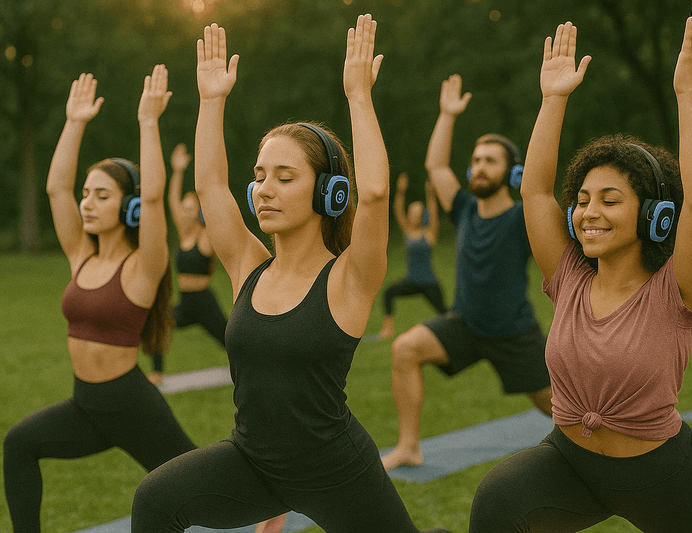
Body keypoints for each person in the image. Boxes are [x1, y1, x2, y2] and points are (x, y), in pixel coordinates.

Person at [130, 17, 450, 533]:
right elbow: (211, 187)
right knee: (156, 499)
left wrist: (358, 96)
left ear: (329, 193)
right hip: (253, 464)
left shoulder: (349, 277)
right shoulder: (248, 267)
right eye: (259, 177)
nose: (264, 190)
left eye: (284, 177)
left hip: (336, 472)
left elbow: (374, 195)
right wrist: (211, 102)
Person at [469, 6, 692, 531]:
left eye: (610, 200)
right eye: (582, 199)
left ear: (652, 215)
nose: (588, 213)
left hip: (659, 473)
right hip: (570, 462)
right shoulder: (570, 276)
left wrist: (689, 94)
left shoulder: (678, 290)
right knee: (497, 502)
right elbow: (534, 192)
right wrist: (553, 99)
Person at [3, 67, 196, 532]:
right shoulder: (80, 256)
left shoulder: (143, 266)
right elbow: (55, 189)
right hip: (85, 406)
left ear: (127, 207)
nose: (86, 203)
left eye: (101, 195)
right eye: (86, 194)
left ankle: (268, 501)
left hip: (132, 406)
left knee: (196, 491)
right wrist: (74, 122)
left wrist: (148, 123)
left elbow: (152, 201)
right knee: (18, 444)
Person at [381, 73, 552, 471]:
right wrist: (446, 115)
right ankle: (409, 447)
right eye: (475, 160)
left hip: (513, 332)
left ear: (512, 173)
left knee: (559, 409)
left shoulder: (523, 218)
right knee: (404, 349)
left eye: (489, 161)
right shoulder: (465, 209)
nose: (478, 167)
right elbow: (436, 165)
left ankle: (603, 451)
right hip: (466, 325)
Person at [146, 143, 228, 386]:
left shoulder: (206, 236)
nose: (184, 209)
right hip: (186, 302)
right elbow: (171, 199)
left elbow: (216, 206)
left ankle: (257, 368)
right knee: (158, 323)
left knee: (230, 340)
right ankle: (157, 373)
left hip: (205, 302)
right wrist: (178, 170)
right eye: (184, 206)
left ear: (198, 212)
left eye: (191, 207)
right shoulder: (184, 234)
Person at [377, 173, 447, 339]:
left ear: (422, 215)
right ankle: (388, 330)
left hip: (429, 282)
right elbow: (397, 210)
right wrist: (401, 191)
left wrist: (431, 194)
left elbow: (434, 212)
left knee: (445, 312)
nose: (414, 214)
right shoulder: (407, 231)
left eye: (417, 212)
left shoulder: (429, 233)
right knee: (388, 293)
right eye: (412, 211)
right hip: (411, 281)